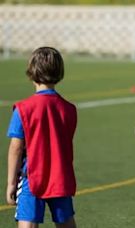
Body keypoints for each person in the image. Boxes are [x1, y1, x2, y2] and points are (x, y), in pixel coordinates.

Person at [6, 47, 77, 228]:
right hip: (60, 176)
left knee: (28, 224)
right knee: (66, 222)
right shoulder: (69, 109)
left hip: (32, 176)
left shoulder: (23, 109)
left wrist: (11, 183)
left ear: (32, 72)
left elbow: (16, 148)